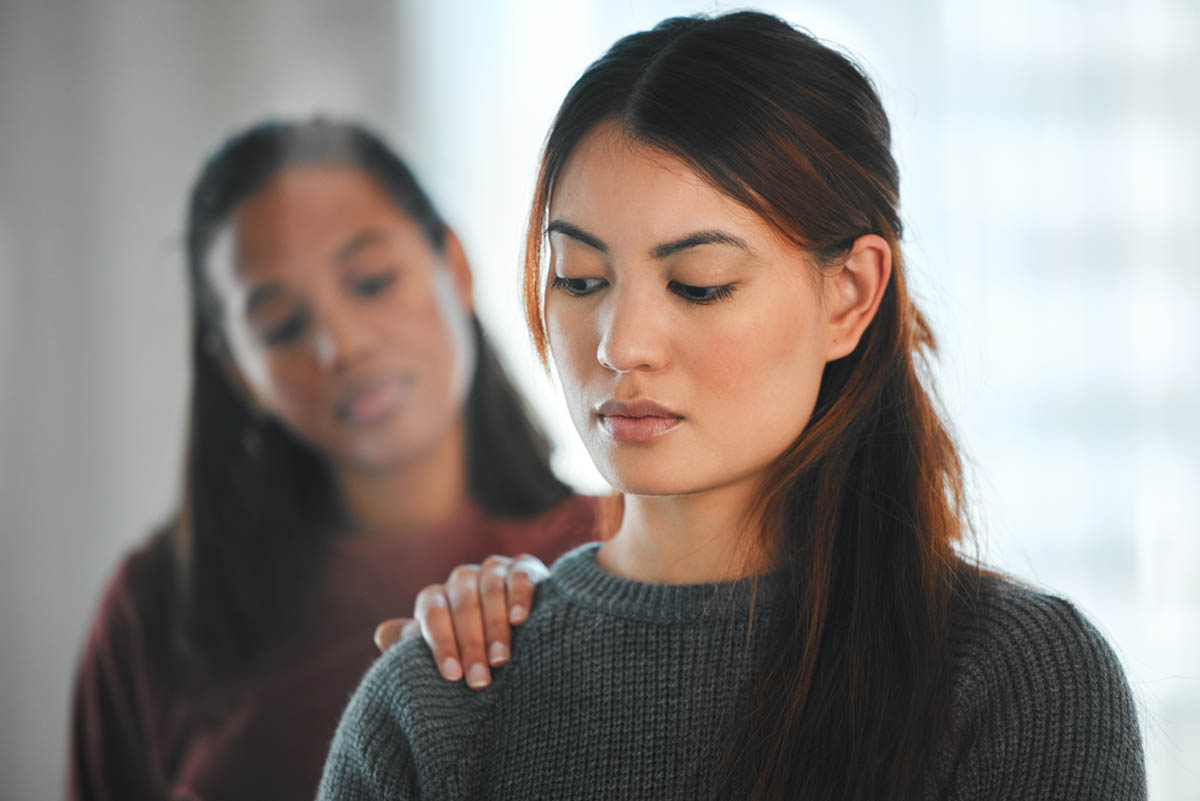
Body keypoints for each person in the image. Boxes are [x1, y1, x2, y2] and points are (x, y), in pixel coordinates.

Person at [318, 12, 1147, 801]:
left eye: (699, 285)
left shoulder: (1016, 678)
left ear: (850, 295)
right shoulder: (442, 693)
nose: (621, 344)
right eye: (579, 278)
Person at [66, 118, 610, 801]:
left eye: (372, 281)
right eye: (283, 326)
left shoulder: (620, 546)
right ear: (238, 369)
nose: (342, 344)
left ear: (456, 266)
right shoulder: (155, 610)